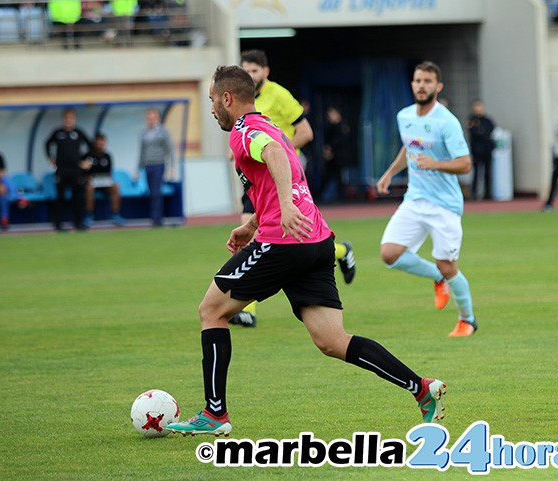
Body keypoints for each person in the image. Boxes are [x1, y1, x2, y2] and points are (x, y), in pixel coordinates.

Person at [166, 65, 446, 437]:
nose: (213, 108)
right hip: (316, 242)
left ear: (227, 98)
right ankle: (421, 388)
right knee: (332, 341)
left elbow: (280, 164)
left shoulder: (243, 131)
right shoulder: (271, 128)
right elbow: (284, 173)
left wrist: (282, 209)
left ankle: (214, 414)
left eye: (213, 101)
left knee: (210, 311)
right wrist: (251, 224)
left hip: (284, 243)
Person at [231, 49, 356, 328]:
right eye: (245, 70)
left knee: (261, 236)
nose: (250, 76)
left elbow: (306, 132)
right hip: (256, 178)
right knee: (263, 235)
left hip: (280, 176)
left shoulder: (279, 95)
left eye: (254, 70)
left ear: (266, 72)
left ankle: (246, 308)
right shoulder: (246, 102)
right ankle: (339, 251)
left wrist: (279, 154)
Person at [375, 61, 477, 338]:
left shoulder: (447, 122)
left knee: (449, 265)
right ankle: (436, 277)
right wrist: (389, 174)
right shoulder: (404, 116)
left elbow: (465, 164)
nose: (421, 86)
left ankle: (467, 320)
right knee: (389, 253)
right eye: (418, 80)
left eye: (427, 81)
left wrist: (436, 164)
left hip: (445, 206)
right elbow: (408, 148)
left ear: (438, 86)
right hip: (415, 199)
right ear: (412, 84)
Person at [45, 108, 92, 232]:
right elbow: (47, 143)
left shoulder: (78, 132)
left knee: (77, 197)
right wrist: (50, 158)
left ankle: (78, 223)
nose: (68, 120)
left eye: (71, 118)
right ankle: (58, 224)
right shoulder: (58, 132)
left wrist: (86, 161)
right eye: (66, 118)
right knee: (60, 197)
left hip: (75, 170)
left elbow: (90, 146)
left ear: (74, 119)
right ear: (63, 119)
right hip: (61, 170)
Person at [138, 107, 175, 227]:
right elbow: (141, 152)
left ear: (157, 118)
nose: (150, 120)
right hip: (147, 165)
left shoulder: (163, 132)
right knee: (151, 192)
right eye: (148, 117)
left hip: (158, 164)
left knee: (156, 192)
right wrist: (138, 169)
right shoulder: (144, 133)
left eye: (152, 117)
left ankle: (157, 220)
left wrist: (171, 167)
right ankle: (154, 218)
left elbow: (169, 150)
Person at [81, 132, 125, 227]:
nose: (100, 144)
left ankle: (115, 214)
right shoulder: (88, 156)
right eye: (98, 142)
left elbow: (109, 173)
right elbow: (83, 172)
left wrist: (109, 180)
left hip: (104, 183)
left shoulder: (107, 156)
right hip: (92, 183)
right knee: (89, 188)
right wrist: (86, 173)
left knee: (115, 187)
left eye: (102, 142)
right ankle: (89, 215)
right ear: (94, 143)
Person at [467, 100, 496, 201]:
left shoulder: (487, 120)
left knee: (488, 173)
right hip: (476, 150)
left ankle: (488, 193)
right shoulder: (471, 120)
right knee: (476, 173)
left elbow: (490, 130)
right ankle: (474, 194)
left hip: (487, 150)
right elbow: (474, 133)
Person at [321, 106, 351, 203]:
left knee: (340, 178)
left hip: (340, 156)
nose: (329, 116)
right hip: (331, 158)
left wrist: (331, 149)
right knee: (330, 176)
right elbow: (326, 142)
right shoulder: (329, 126)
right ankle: (329, 197)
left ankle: (342, 198)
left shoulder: (343, 126)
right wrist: (327, 151)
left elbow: (343, 141)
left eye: (332, 113)